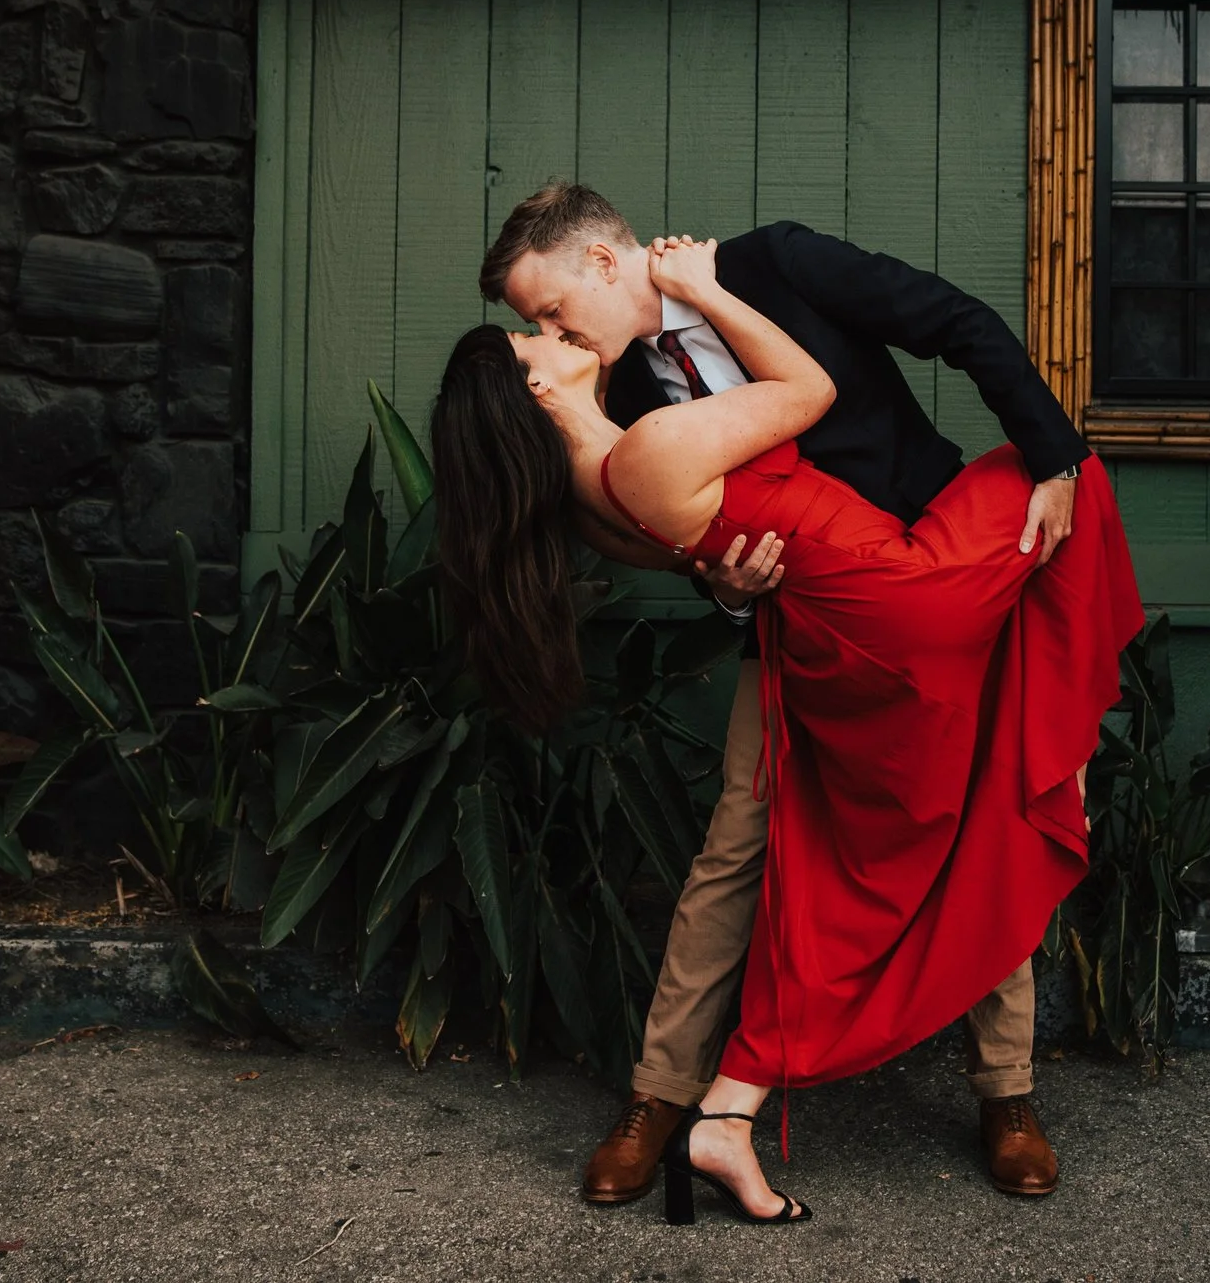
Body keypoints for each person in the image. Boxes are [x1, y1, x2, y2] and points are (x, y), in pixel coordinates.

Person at [434, 231, 1142, 1225]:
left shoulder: (769, 266)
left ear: (600, 258)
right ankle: (662, 1098)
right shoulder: (613, 397)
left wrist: (1056, 454)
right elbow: (686, 538)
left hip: (934, 568)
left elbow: (956, 325)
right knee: (736, 845)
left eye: (549, 310)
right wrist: (723, 586)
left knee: (978, 808)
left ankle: (1005, 1091)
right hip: (801, 625)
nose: (548, 331)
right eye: (536, 331)